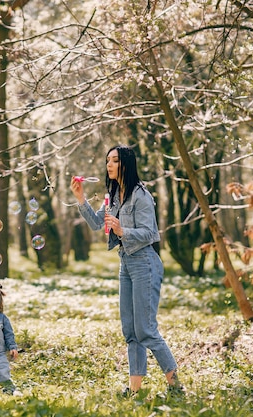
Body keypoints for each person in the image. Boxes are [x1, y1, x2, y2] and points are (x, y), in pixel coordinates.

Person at [70, 144, 184, 397]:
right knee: (130, 330)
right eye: (107, 160)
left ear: (126, 165)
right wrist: (81, 198)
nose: (109, 164)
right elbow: (97, 223)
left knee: (145, 329)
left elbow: (151, 233)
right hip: (126, 263)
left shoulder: (141, 195)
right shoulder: (113, 195)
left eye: (114, 160)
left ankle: (175, 384)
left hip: (145, 262)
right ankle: (135, 390)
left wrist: (123, 231)